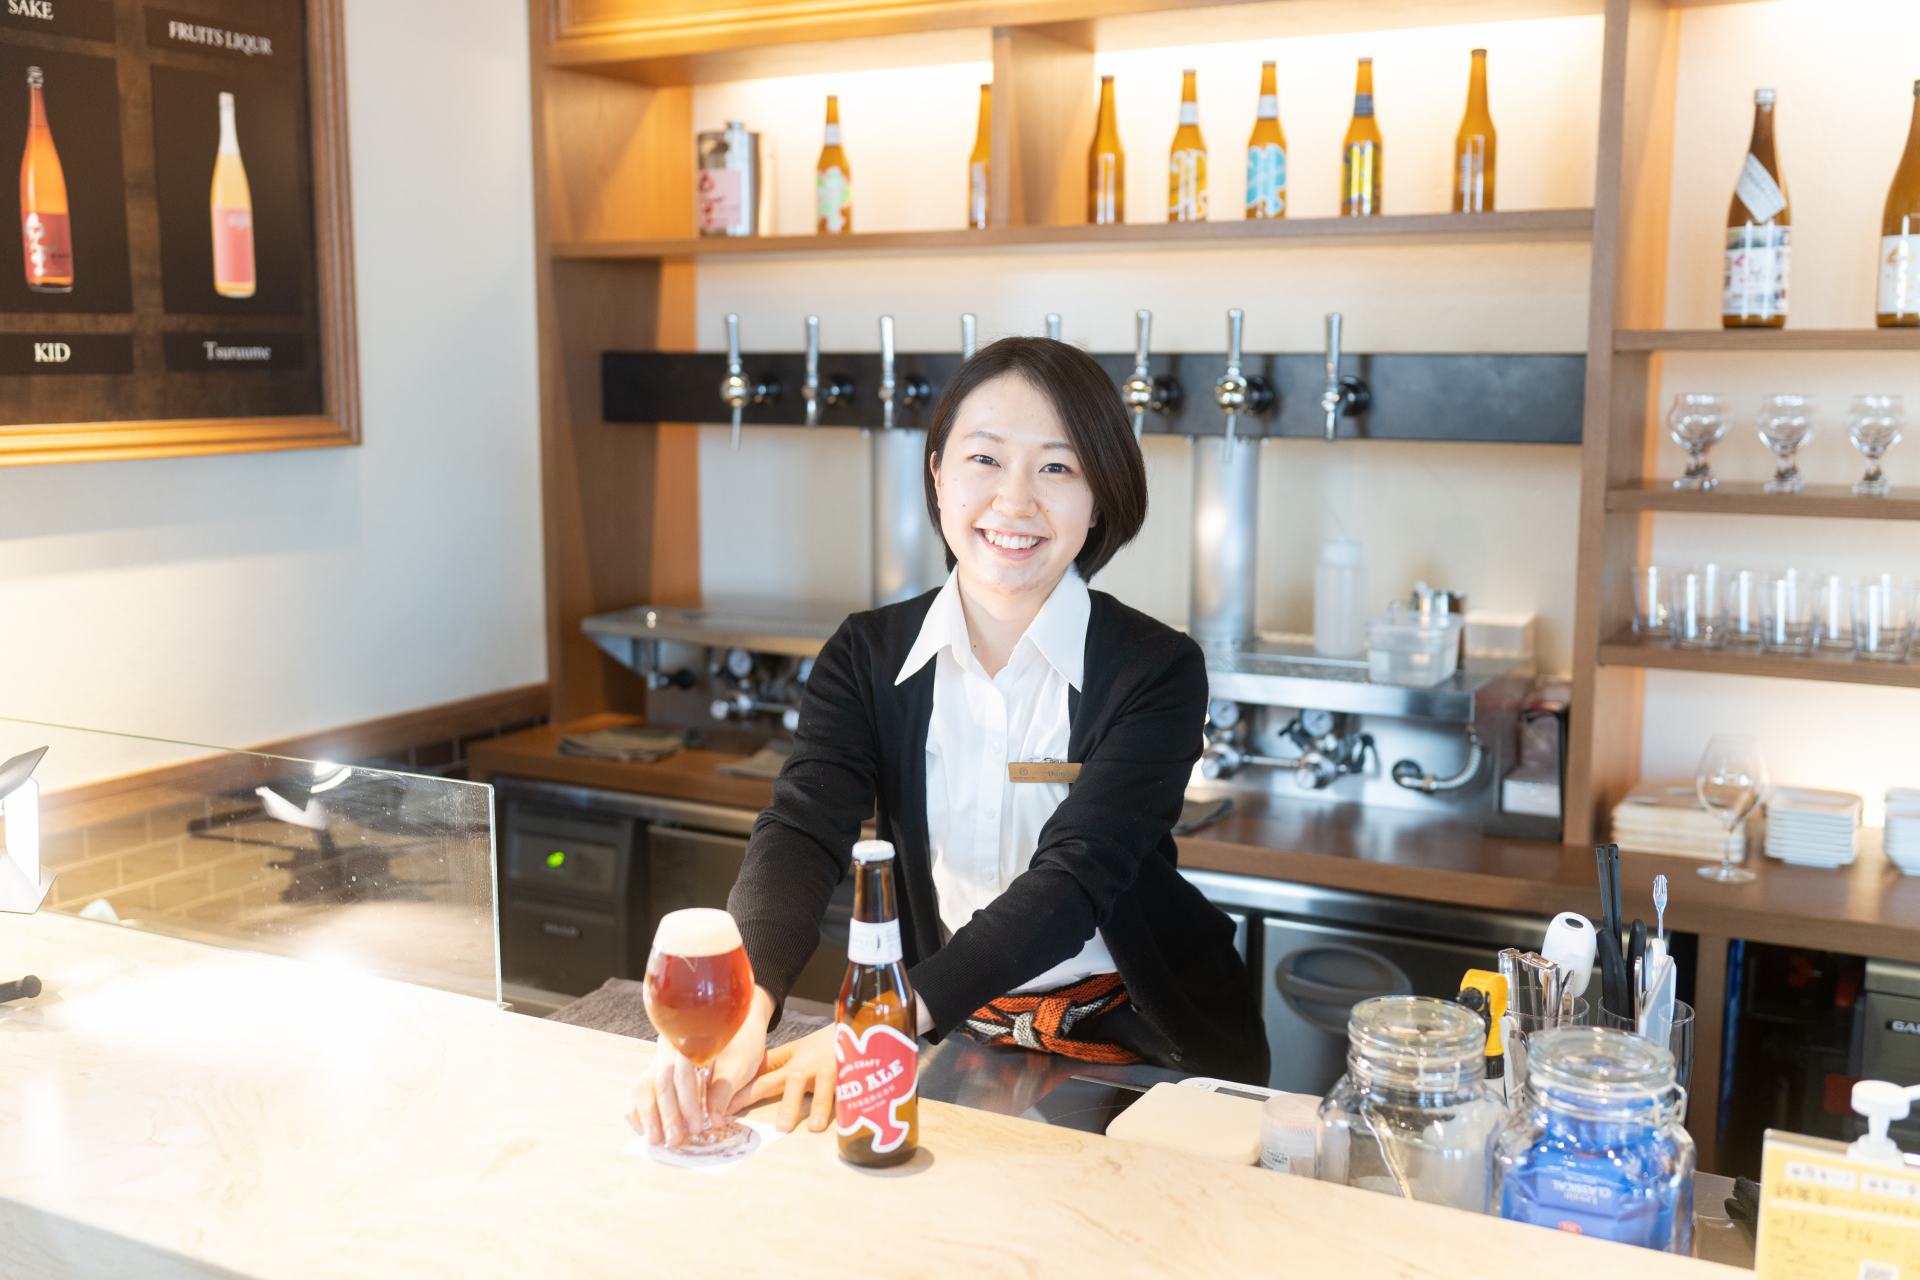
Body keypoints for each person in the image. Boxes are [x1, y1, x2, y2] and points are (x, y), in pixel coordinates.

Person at [629, 336, 1267, 1148]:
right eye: (984, 460)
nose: (1015, 501)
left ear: (1101, 496)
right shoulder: (868, 655)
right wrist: (743, 1009)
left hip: (1148, 1041)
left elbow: (1073, 880)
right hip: (953, 1033)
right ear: (937, 475)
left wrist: (887, 1019)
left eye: (1057, 468)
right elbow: (800, 830)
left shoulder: (1156, 670)